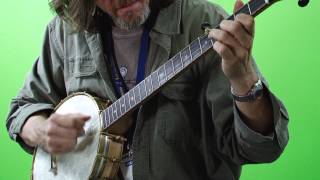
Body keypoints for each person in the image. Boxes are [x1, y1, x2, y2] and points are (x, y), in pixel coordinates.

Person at [6, 0, 289, 179]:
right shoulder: (65, 32)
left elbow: (262, 149)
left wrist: (242, 77)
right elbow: (23, 108)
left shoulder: (204, 21)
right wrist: (40, 130)